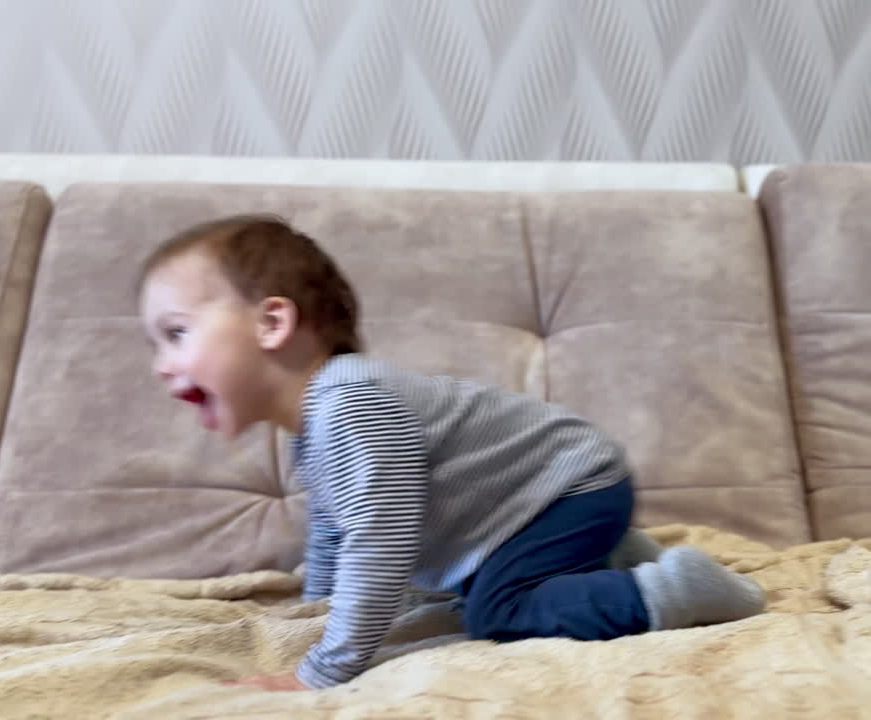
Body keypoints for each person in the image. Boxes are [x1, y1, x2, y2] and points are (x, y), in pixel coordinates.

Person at [136, 214, 766, 691]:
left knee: (498, 610)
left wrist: (325, 670)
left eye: (176, 334)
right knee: (479, 586)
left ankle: (681, 589)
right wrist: (316, 611)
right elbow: (334, 528)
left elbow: (379, 541)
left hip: (565, 487)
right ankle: (617, 558)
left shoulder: (351, 403)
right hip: (546, 496)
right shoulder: (314, 430)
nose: (163, 367)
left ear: (272, 323)